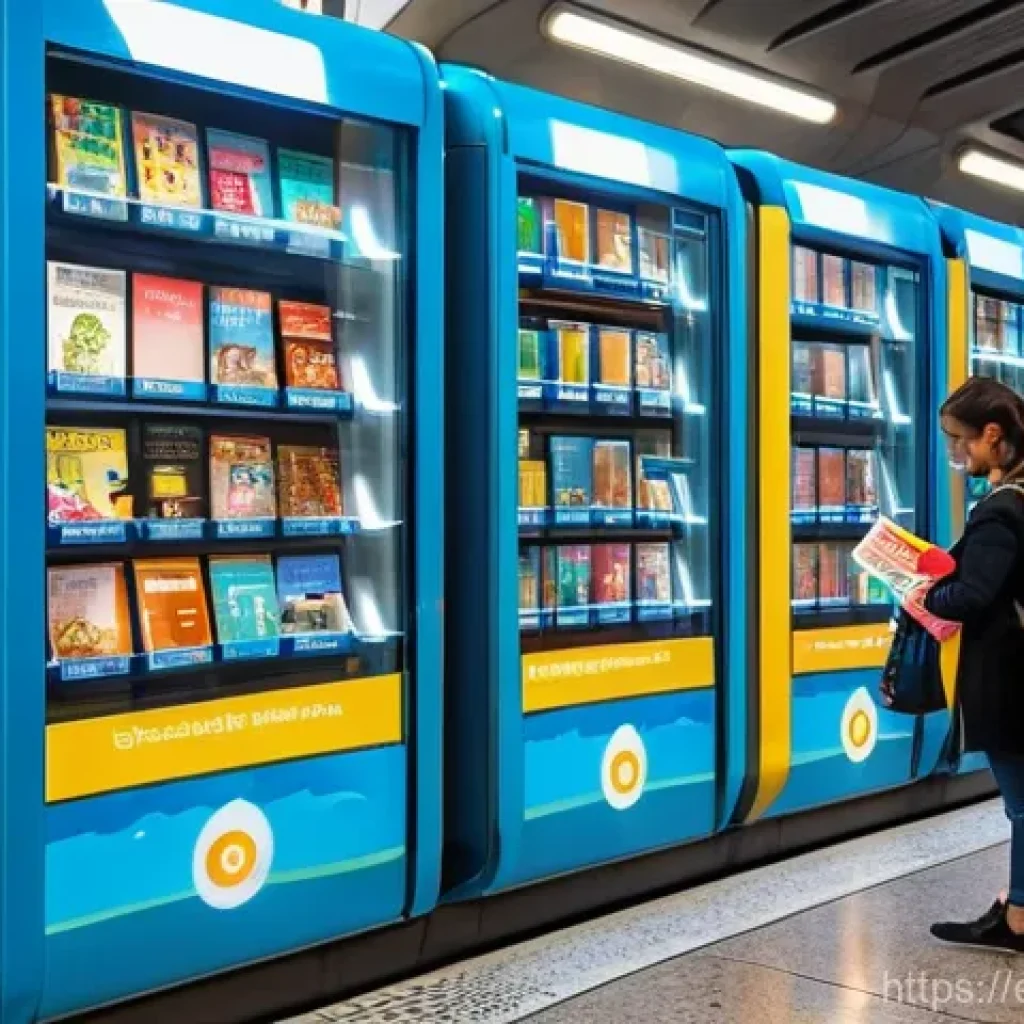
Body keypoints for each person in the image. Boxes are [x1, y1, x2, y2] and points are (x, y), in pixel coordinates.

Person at [925, 376, 1024, 953]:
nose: (957, 453)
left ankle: (1016, 920)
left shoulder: (1001, 511)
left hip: (1008, 680)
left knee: (1021, 803)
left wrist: (922, 594)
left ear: (994, 435)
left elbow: (969, 596)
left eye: (961, 440)